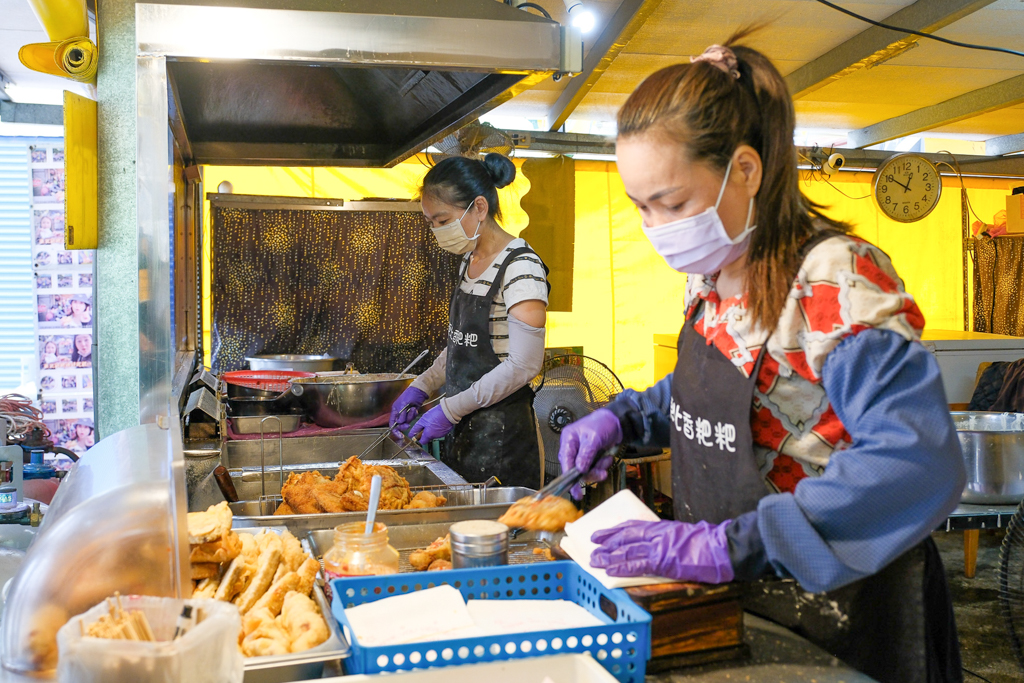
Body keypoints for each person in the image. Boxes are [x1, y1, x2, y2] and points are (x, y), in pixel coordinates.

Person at [557, 37, 966, 683]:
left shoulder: (835, 280)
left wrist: (734, 544)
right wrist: (625, 418)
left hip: (843, 604)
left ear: (744, 170)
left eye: (673, 202)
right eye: (640, 207)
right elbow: (721, 388)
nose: (656, 226)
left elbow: (912, 457)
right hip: (736, 593)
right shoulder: (712, 274)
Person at [389, 154, 549, 488]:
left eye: (442, 219)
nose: (436, 230)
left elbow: (524, 364)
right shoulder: (469, 262)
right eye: (430, 222)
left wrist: (450, 409)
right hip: (465, 430)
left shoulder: (521, 268)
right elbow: (461, 345)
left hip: (503, 438)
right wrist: (422, 385)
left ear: (479, 208)